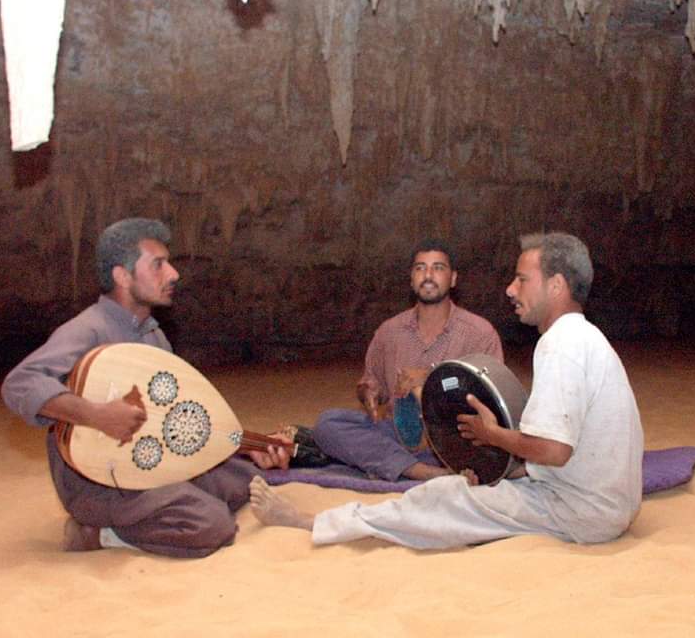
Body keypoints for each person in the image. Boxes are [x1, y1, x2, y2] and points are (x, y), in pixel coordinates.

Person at [250, 232, 644, 549]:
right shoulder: (583, 337)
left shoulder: (559, 344)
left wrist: (492, 436)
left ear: (556, 285)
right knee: (441, 483)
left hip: (578, 510)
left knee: (443, 500)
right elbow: (557, 447)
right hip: (602, 502)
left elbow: (555, 450)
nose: (510, 289)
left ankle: (311, 522)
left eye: (522, 279)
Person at [2, 217, 290, 557]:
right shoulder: (88, 329)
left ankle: (162, 506)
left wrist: (246, 446)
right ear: (122, 277)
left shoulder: (153, 335)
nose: (173, 274)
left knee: (246, 480)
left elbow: (172, 423)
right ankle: (100, 533)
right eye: (158, 265)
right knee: (214, 526)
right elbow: (19, 384)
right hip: (97, 481)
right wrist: (96, 415)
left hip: (148, 465)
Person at [310, 238, 504, 482]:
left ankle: (396, 465)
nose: (428, 275)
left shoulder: (479, 333)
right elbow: (372, 383)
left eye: (438, 268)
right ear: (411, 279)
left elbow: (491, 397)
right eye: (420, 268)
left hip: (454, 437)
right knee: (328, 424)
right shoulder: (389, 332)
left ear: (453, 279)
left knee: (494, 446)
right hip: (399, 434)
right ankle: (422, 472)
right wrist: (367, 394)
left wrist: (430, 377)